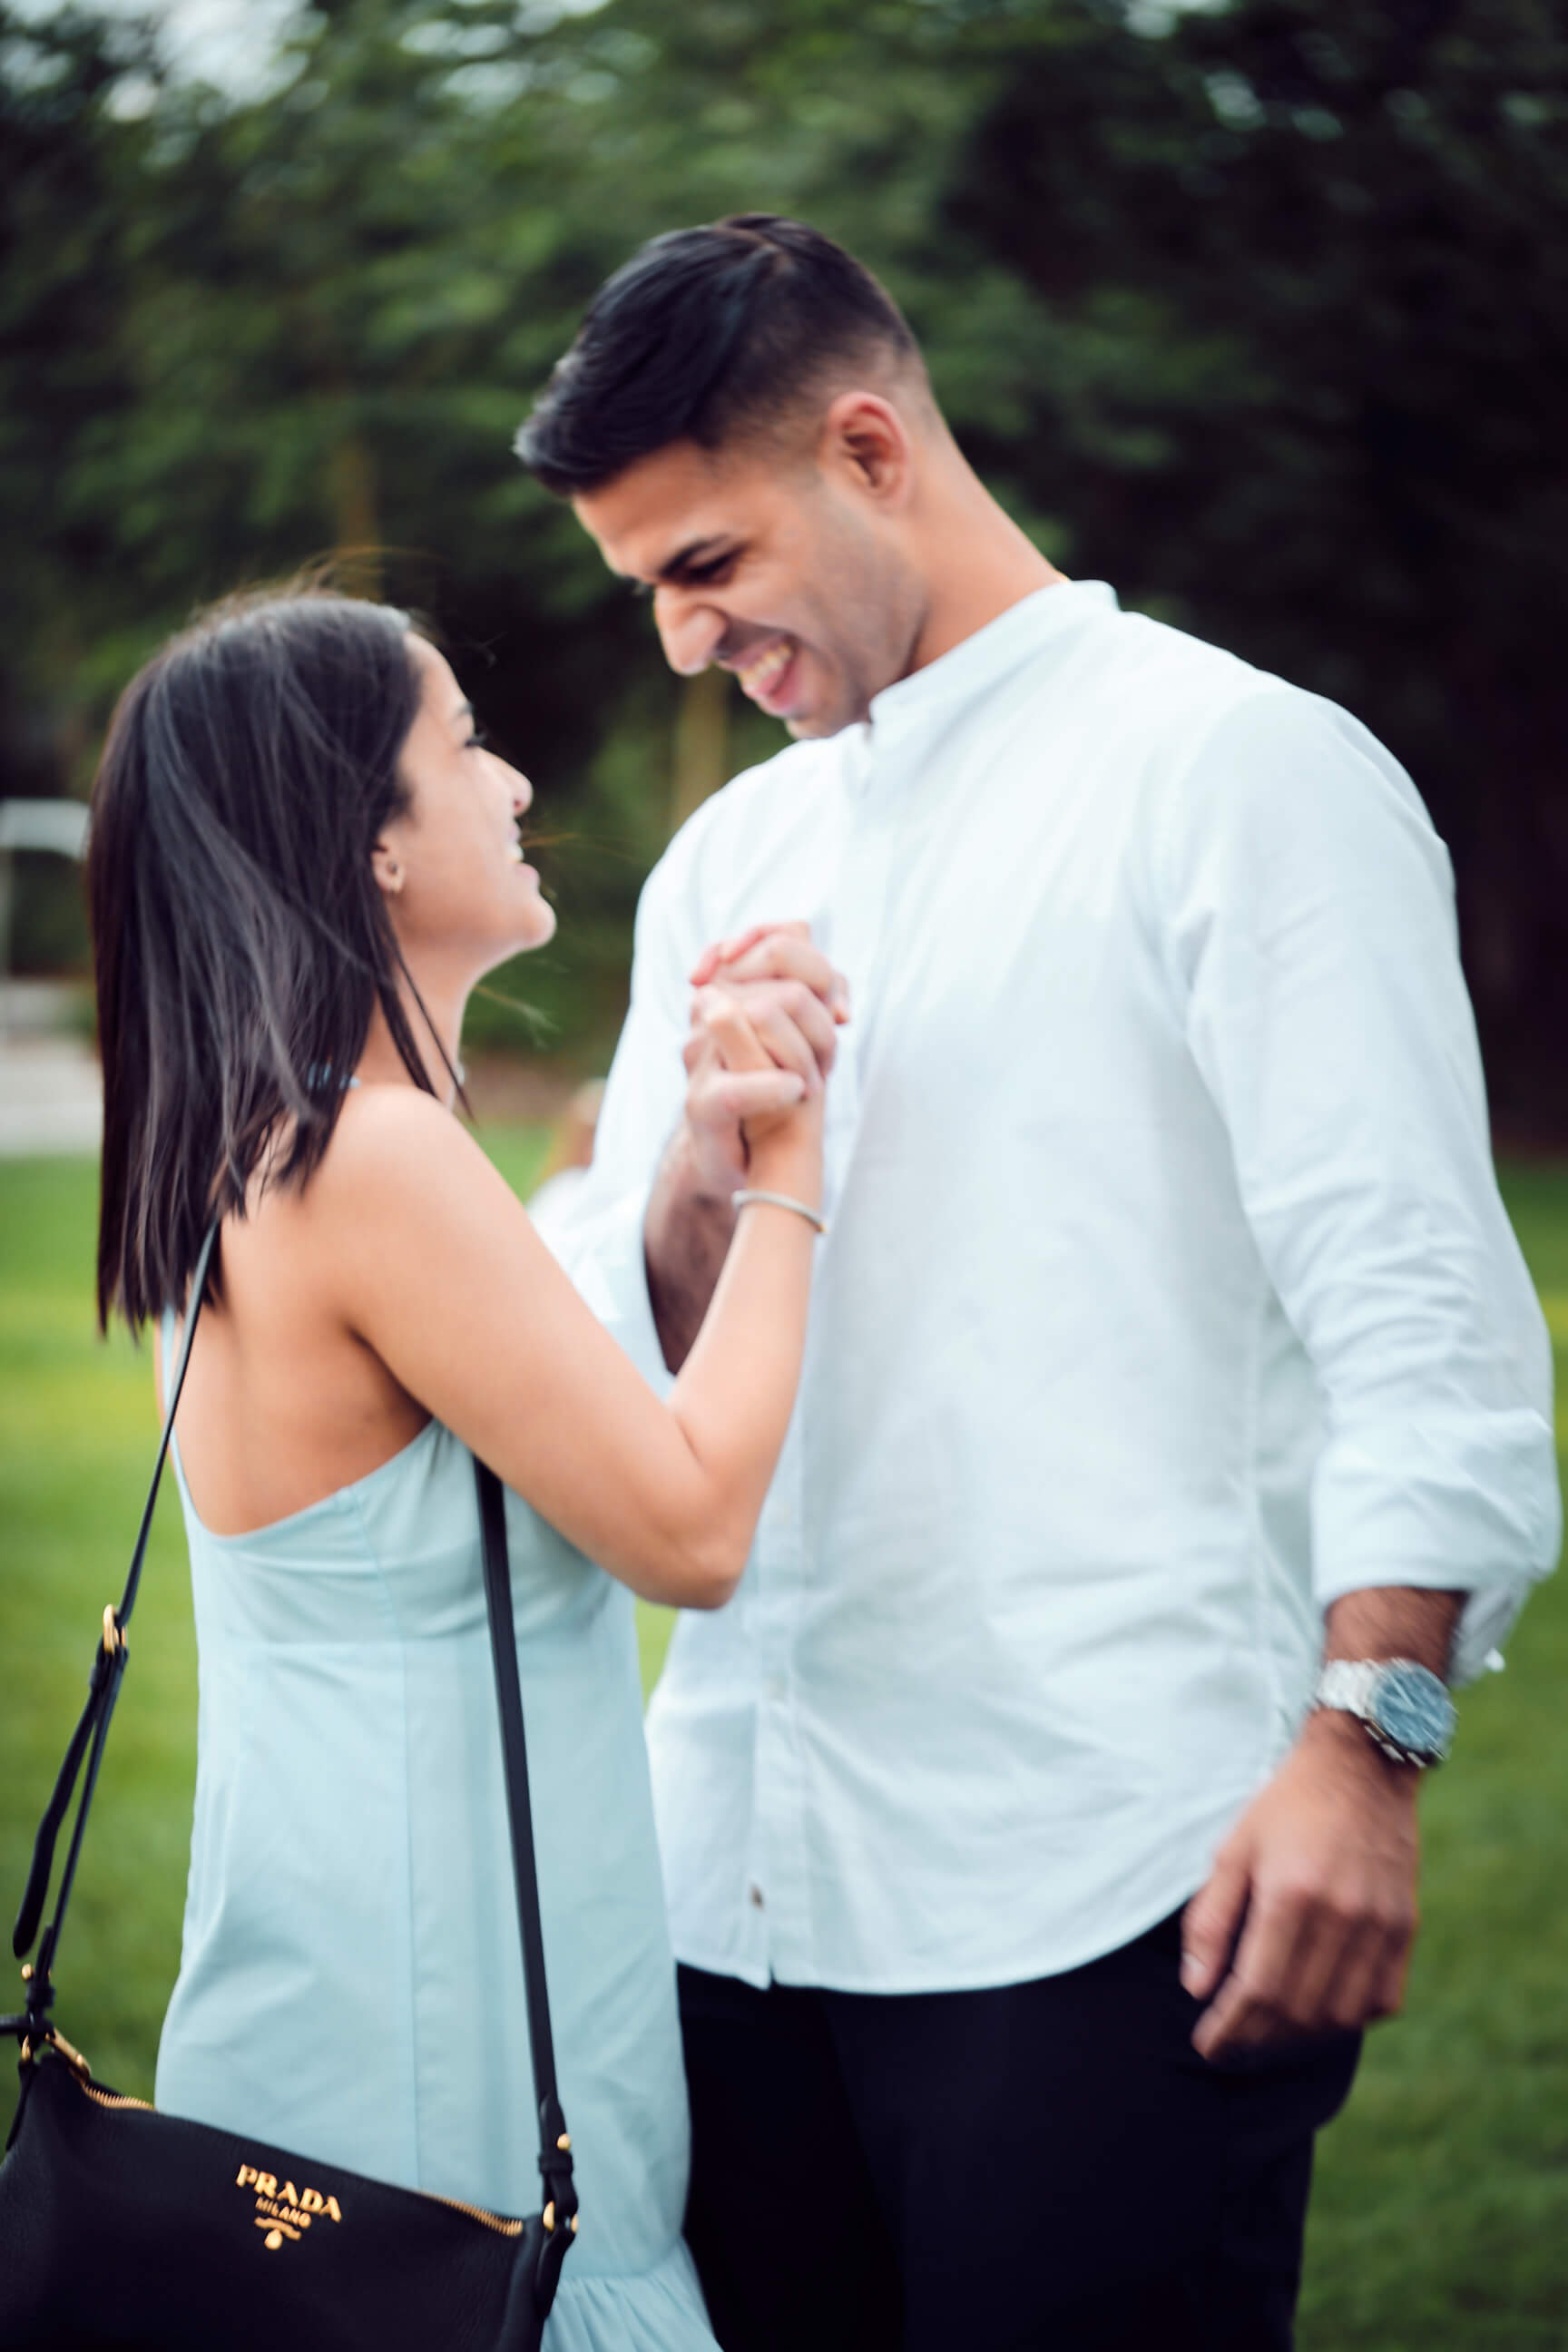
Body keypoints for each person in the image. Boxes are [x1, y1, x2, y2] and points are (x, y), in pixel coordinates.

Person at [514, 216, 1562, 2350]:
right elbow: (643, 1360)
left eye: (707, 566)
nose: (686, 645)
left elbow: (1423, 1315)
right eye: (649, 595)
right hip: (729, 1893)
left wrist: (1373, 1752)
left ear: (871, 449)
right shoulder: (729, 863)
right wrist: (701, 1172)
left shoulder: (1239, 772)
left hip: (1110, 1894)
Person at [87, 583, 829, 2352]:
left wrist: (701, 1184)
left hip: (351, 2071)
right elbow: (691, 1524)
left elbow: (547, 1384)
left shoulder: (266, 1147)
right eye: (464, 745)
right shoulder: (374, 1158)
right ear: (377, 851)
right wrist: (799, 1165)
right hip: (450, 2129)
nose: (511, 785)